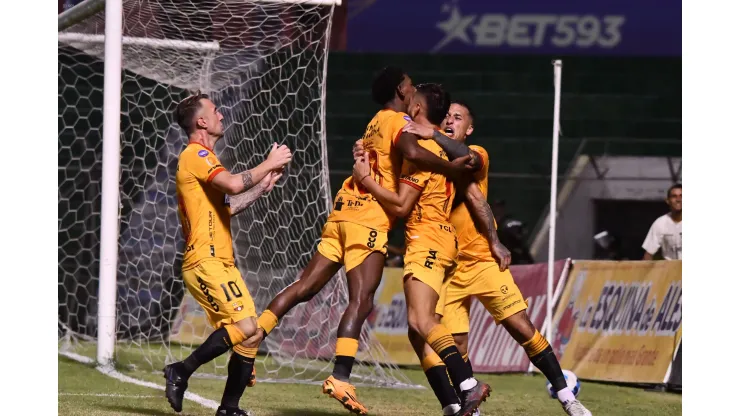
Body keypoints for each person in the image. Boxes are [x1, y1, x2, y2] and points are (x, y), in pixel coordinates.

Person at [249, 67, 474, 415]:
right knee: (363, 300)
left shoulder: (375, 122)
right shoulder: (399, 123)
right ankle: (342, 376)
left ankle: (251, 340)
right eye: (409, 86)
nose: (412, 91)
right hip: (369, 218)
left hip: (342, 211)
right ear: (402, 92)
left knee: (304, 286)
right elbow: (412, 161)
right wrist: (451, 169)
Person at [403, 101, 592, 416]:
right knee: (453, 342)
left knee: (521, 327)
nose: (450, 121)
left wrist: (495, 240)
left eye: (458, 117)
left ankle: (566, 398)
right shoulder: (431, 163)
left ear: (469, 128)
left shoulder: (477, 154)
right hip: (445, 265)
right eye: (446, 116)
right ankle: (466, 408)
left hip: (482, 261)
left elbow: (474, 187)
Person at [353, 85, 491, 416]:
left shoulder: (422, 151)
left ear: (416, 109)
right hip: (434, 239)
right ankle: (453, 405)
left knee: (421, 319)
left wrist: (366, 179)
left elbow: (401, 204)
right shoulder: (429, 148)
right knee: (417, 332)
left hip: (428, 238)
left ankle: (468, 385)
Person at [163, 92, 292, 416]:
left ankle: (229, 408)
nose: (221, 114)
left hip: (222, 262)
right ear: (202, 121)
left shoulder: (206, 160)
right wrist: (269, 164)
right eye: (215, 110)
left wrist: (261, 188)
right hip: (204, 261)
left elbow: (229, 205)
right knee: (247, 327)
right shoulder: (196, 154)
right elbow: (234, 185)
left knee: (251, 336)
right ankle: (181, 370)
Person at [642, 183, 682, 260]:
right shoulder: (660, 223)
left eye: (682, 196)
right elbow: (648, 254)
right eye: (674, 196)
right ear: (667, 201)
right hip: (670, 270)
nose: (678, 199)